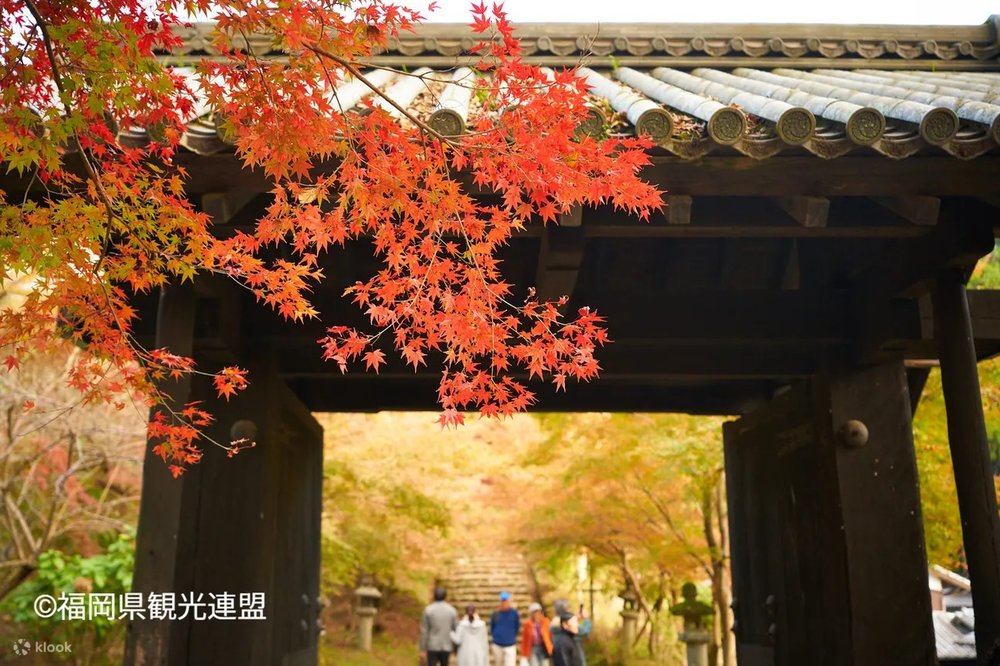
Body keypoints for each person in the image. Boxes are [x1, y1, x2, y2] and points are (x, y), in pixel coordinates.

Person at [421, 586, 458, 666]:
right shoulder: (452, 611)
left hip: (432, 645)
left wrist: (423, 648)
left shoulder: (428, 610)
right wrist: (456, 647)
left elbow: (425, 631)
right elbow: (455, 629)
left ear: (434, 596)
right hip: (446, 645)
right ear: (446, 596)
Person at [549, 600, 591, 666]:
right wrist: (586, 619)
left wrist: (574, 617)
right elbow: (584, 631)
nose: (569, 609)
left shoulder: (555, 623)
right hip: (572, 657)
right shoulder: (566, 625)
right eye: (568, 608)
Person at [489, 591, 520, 666]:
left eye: (506, 600)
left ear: (509, 601)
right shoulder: (495, 613)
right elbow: (492, 627)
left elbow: (517, 626)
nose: (504, 602)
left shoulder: (514, 613)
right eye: (502, 600)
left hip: (510, 645)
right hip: (497, 645)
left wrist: (511, 636)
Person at [520, 602, 552, 666]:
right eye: (534, 612)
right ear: (531, 613)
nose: (536, 613)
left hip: (544, 647)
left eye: (538, 611)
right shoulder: (527, 624)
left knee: (544, 664)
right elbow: (525, 639)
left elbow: (550, 635)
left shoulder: (546, 621)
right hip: (532, 648)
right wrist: (524, 654)